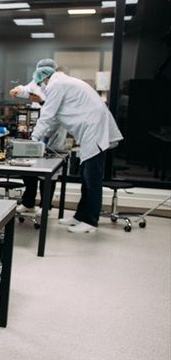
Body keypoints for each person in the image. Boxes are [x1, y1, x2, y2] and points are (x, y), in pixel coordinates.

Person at [30, 66, 123, 233]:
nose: (41, 87)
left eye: (40, 84)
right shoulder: (63, 83)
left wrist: (33, 139)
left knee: (92, 178)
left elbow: (47, 115)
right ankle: (80, 216)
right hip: (90, 129)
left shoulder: (56, 85)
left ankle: (90, 221)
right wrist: (44, 137)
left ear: (44, 79)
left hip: (94, 130)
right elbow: (54, 120)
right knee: (85, 176)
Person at [9, 58, 68, 215]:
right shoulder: (38, 81)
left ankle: (45, 206)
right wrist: (17, 90)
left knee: (48, 171)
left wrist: (41, 102)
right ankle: (28, 203)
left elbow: (52, 111)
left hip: (54, 131)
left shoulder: (58, 85)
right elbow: (27, 89)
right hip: (36, 128)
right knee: (29, 168)